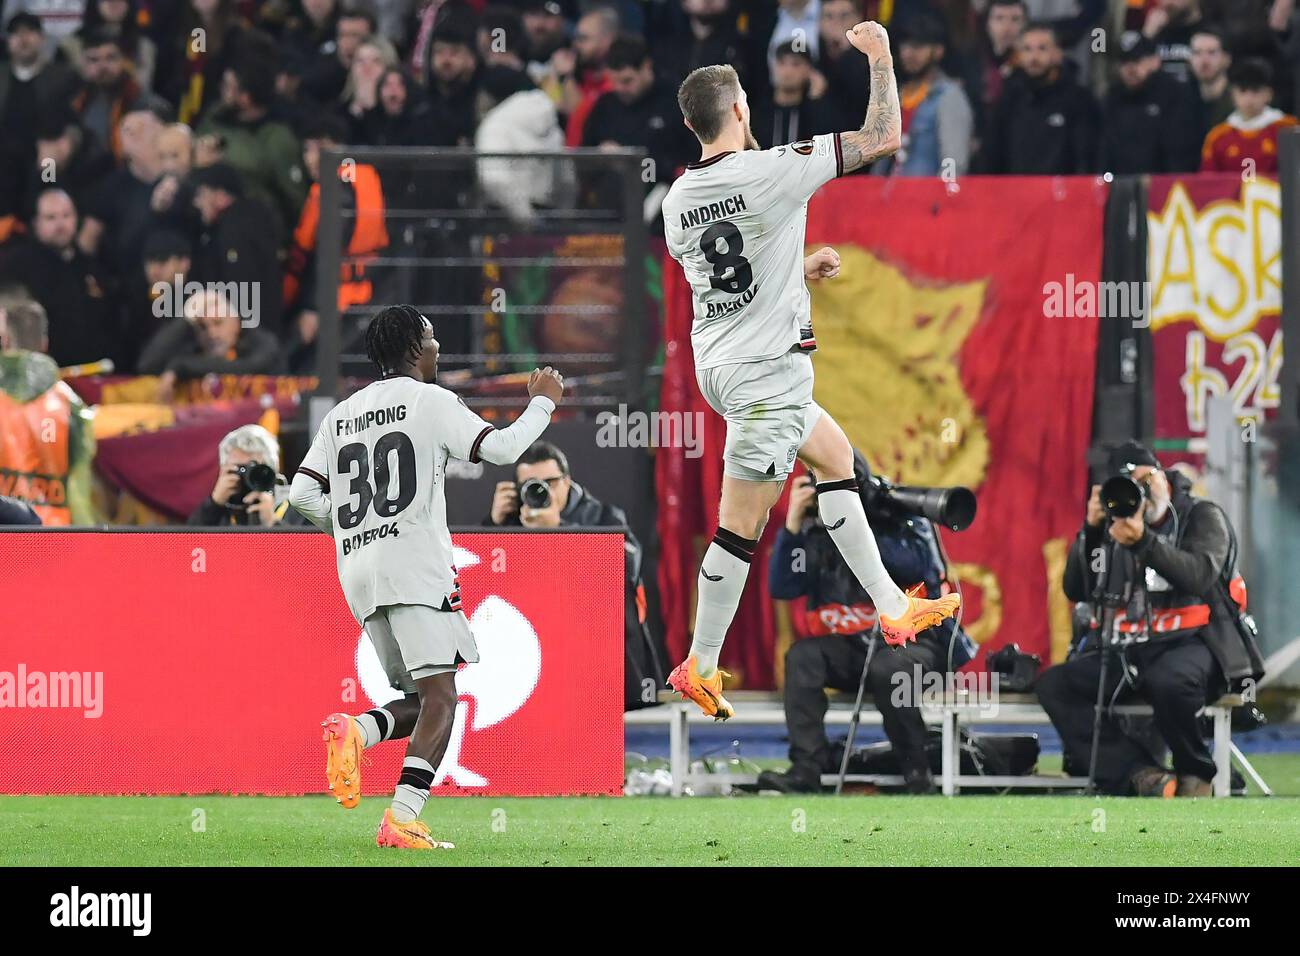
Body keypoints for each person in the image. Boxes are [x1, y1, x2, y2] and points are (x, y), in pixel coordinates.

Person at [659, 20, 960, 721]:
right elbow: (882, 135)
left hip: (726, 364)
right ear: (740, 111)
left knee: (835, 459)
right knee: (740, 527)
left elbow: (729, 276)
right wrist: (881, 56)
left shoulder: (676, 202)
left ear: (687, 124)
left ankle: (890, 608)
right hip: (767, 373)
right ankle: (700, 665)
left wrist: (797, 267)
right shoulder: (771, 168)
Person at [289, 305, 564, 850]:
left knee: (423, 693)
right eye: (433, 339)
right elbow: (504, 449)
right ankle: (402, 818)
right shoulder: (430, 400)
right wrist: (543, 403)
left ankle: (358, 731)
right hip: (414, 565)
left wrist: (350, 527)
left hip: (360, 573)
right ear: (415, 349)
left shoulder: (341, 414)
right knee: (442, 698)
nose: (438, 349)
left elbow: (300, 494)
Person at [1036, 441, 1263, 797]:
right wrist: (1092, 532)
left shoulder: (1201, 516)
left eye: (1145, 480)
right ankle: (1140, 773)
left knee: (1169, 680)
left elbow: (1200, 576)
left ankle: (1195, 773)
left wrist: (1144, 542)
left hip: (1197, 642)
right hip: (1132, 648)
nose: (1141, 493)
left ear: (1162, 474)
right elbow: (1078, 590)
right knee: (1055, 685)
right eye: (1129, 486)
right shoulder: (1113, 528)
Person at [759, 453, 977, 793]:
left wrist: (859, 521)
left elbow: (922, 569)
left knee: (888, 668)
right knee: (803, 658)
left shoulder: (901, 514)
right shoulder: (815, 527)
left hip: (917, 641)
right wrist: (792, 527)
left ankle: (917, 775)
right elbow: (783, 587)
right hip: (854, 646)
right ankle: (806, 770)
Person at [0, 298, 96, 525]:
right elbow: (79, 495)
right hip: (55, 539)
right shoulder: (71, 404)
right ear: (44, 343)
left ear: (5, 341)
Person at [0, 188, 119, 369]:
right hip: (35, 374)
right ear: (36, 223)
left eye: (66, 216)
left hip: (90, 374)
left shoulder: (90, 267)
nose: (60, 224)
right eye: (51, 218)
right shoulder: (15, 266)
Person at [980, 22, 1099, 174]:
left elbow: (1087, 158)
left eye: (1042, 48)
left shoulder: (1079, 101)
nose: (1034, 57)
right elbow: (992, 156)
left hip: (1064, 195)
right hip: (1016, 194)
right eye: (1027, 49)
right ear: (1019, 55)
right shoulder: (1008, 100)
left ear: (1057, 54)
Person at [136, 286, 282, 390]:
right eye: (203, 328)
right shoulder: (194, 349)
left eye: (218, 323)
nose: (212, 334)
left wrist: (180, 367)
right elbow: (147, 365)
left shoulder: (263, 344)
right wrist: (186, 319)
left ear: (236, 322)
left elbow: (248, 367)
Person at [1100, 32, 1201, 174]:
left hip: (1162, 184)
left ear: (1155, 61)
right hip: (1120, 185)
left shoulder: (1175, 94)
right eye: (1124, 62)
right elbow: (1104, 151)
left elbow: (1180, 151)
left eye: (1137, 60)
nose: (1130, 68)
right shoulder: (1112, 97)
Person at [1200, 57, 1298, 174]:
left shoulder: (1289, 128)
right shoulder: (1218, 136)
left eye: (1255, 91)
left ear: (1268, 94)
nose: (1249, 99)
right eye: (1243, 91)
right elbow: (1208, 181)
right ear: (1233, 95)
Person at [187, 423, 297, 526]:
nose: (246, 476)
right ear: (224, 470)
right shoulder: (221, 510)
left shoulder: (295, 505)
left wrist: (272, 523)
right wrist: (214, 504)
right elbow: (188, 544)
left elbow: (306, 546)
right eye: (240, 469)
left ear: (271, 469)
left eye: (253, 469)